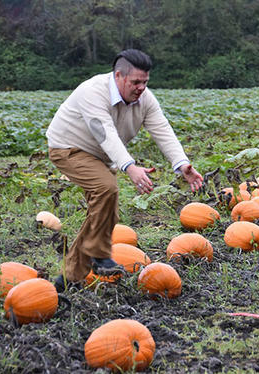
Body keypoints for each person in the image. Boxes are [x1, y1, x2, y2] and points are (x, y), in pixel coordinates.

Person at [46, 49, 203, 292]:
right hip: (69, 148)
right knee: (106, 189)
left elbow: (162, 129)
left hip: (100, 156)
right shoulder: (93, 91)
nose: (141, 88)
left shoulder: (145, 99)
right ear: (118, 76)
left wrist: (182, 164)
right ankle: (98, 254)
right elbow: (104, 132)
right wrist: (130, 167)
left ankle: (67, 280)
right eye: (136, 82)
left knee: (105, 213)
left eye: (145, 82)